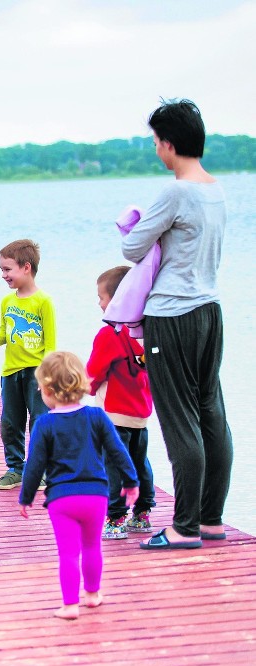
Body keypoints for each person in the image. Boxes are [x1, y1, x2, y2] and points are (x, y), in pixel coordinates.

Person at [121, 99, 233, 550]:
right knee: (211, 415)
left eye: (154, 142)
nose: (155, 149)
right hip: (210, 310)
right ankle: (211, 519)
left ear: (168, 144)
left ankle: (183, 526)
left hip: (172, 315)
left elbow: (132, 248)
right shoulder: (215, 189)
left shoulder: (176, 192)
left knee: (180, 420)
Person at [19, 351, 139, 620]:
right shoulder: (97, 417)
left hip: (62, 499)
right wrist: (131, 482)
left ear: (48, 390)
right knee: (92, 546)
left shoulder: (44, 423)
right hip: (96, 496)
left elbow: (34, 465)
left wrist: (25, 497)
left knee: (69, 553)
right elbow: (118, 451)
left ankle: (70, 605)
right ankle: (93, 595)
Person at [87, 266, 156, 539]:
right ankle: (142, 513)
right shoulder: (144, 332)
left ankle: (115, 518)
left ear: (117, 300)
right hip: (140, 414)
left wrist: (87, 388)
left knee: (114, 466)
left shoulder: (109, 335)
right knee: (139, 462)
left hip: (114, 415)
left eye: (102, 297)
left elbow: (94, 371)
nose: (99, 303)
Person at [0, 239, 56, 490]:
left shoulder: (43, 302)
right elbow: (5, 333)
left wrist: (48, 375)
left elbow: (51, 342)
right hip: (11, 371)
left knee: (39, 420)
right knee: (11, 422)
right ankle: (15, 468)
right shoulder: (8, 302)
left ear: (26, 268)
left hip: (37, 371)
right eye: (2, 270)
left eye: (7, 269)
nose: (3, 275)